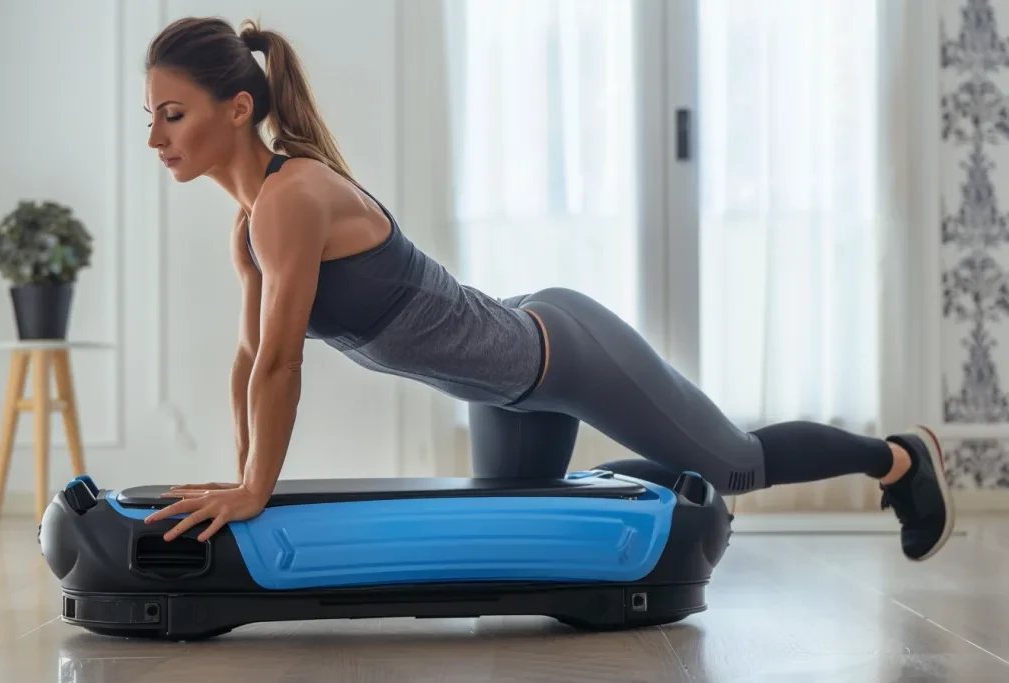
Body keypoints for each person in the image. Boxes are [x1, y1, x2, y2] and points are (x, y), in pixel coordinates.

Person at [141, 16, 954, 562]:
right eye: (151, 117)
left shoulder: (291, 199)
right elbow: (251, 358)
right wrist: (244, 480)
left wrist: (254, 491)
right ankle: (686, 472)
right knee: (526, 517)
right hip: (501, 385)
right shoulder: (251, 224)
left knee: (736, 461)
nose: (155, 137)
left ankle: (896, 459)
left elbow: (283, 364)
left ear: (239, 106)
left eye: (172, 115)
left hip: (562, 350)